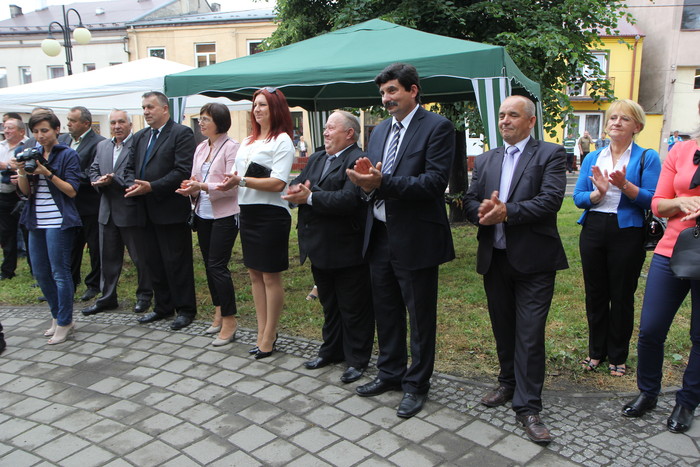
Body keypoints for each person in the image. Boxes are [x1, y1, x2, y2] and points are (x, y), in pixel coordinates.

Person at [346, 63, 455, 419]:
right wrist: (365, 185)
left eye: (392, 90)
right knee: (386, 309)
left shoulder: (437, 127)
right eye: (382, 93)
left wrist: (382, 183)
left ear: (413, 90)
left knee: (419, 317)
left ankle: (417, 385)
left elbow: (434, 183)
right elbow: (374, 179)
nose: (386, 99)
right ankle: (390, 373)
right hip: (379, 234)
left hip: (416, 237)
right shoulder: (379, 131)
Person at [464, 95, 568, 445]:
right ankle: (507, 383)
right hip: (495, 258)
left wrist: (507, 211)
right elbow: (470, 199)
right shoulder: (485, 158)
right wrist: (480, 211)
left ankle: (528, 407)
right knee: (504, 327)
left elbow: (550, 201)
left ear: (530, 121)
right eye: (501, 115)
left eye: (513, 115)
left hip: (535, 261)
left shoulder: (550, 154)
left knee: (529, 333)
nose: (505, 121)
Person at [621, 101, 700, 434]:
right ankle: (648, 392)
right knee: (651, 329)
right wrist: (680, 202)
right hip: (672, 250)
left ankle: (687, 401)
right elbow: (657, 203)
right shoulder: (681, 150)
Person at [283, 111, 374, 384]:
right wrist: (295, 192)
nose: (325, 132)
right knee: (329, 304)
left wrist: (311, 197)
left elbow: (348, 200)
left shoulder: (357, 160)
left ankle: (357, 360)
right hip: (318, 245)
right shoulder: (317, 157)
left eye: (331, 128)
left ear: (349, 133)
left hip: (346, 247)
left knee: (353, 307)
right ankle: (331, 350)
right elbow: (298, 183)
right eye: (325, 128)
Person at [573, 99, 661, 377]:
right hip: (594, 227)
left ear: (637, 126)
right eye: (612, 118)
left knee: (621, 294)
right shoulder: (592, 157)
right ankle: (596, 351)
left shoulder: (647, 157)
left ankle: (618, 355)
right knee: (595, 293)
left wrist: (624, 185)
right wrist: (597, 194)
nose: (616, 122)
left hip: (628, 231)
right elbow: (578, 197)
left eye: (624, 118)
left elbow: (653, 200)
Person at [217, 87, 295, 359]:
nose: (258, 109)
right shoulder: (249, 140)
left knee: (270, 276)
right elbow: (238, 175)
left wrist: (241, 180)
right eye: (255, 104)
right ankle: (262, 331)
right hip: (248, 211)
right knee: (254, 274)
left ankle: (270, 334)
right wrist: (227, 181)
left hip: (271, 214)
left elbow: (278, 183)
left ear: (276, 109)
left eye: (263, 105)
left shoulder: (282, 140)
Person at [124, 91, 197, 331]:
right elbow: (128, 168)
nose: (146, 111)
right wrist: (131, 185)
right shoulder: (140, 136)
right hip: (143, 210)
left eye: (150, 107)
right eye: (143, 107)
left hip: (170, 209)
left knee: (177, 262)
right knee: (153, 261)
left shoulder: (181, 133)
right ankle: (163, 306)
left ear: (165, 109)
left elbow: (182, 170)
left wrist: (152, 187)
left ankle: (185, 309)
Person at [176, 103, 241, 346]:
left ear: (219, 122)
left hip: (225, 214)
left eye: (206, 119)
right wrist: (190, 188)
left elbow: (230, 186)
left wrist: (201, 186)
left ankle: (230, 320)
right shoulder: (201, 147)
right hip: (202, 212)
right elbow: (195, 178)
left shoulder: (232, 147)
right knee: (208, 264)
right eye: (200, 119)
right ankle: (218, 311)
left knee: (217, 266)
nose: (201, 123)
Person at [14, 111, 81, 344]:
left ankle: (65, 321)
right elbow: (25, 192)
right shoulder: (32, 154)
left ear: (56, 130)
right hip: (36, 220)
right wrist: (21, 171)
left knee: (60, 273)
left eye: (45, 130)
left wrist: (47, 172)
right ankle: (56, 316)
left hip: (59, 220)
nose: (40, 136)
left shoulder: (68, 154)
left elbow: (72, 190)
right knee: (41, 273)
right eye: (36, 132)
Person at [83, 110, 153, 316]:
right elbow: (93, 170)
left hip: (130, 210)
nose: (117, 126)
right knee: (107, 259)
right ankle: (107, 298)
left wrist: (115, 180)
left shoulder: (139, 145)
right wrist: (98, 181)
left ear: (130, 124)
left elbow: (139, 175)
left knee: (140, 258)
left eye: (121, 122)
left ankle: (144, 296)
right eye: (113, 123)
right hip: (106, 211)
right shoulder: (103, 146)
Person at [59, 106, 105, 302]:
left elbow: (94, 172)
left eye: (73, 120)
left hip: (89, 203)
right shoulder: (63, 140)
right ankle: (70, 282)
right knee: (71, 246)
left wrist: (66, 178)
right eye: (68, 119)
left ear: (86, 123)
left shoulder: (98, 143)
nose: (68, 123)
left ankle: (94, 284)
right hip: (68, 204)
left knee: (94, 246)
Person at [0, 117, 28, 280]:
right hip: (3, 195)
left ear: (21, 131)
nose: (6, 131)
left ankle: (35, 270)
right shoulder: (1, 146)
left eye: (10, 128)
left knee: (27, 233)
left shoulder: (28, 146)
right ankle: (7, 270)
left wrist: (8, 166)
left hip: (22, 195)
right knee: (6, 233)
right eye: (5, 127)